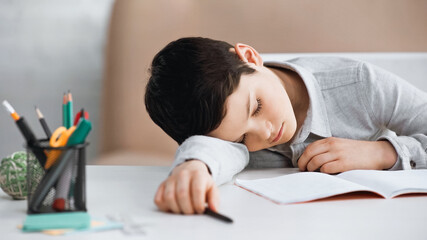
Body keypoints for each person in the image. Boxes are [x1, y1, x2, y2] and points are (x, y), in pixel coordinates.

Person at [144, 37, 427, 215]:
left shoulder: (361, 84)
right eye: (242, 138)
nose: (264, 134)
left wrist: (382, 153)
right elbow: (212, 149)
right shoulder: (223, 132)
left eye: (256, 106)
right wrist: (194, 165)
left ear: (251, 58)